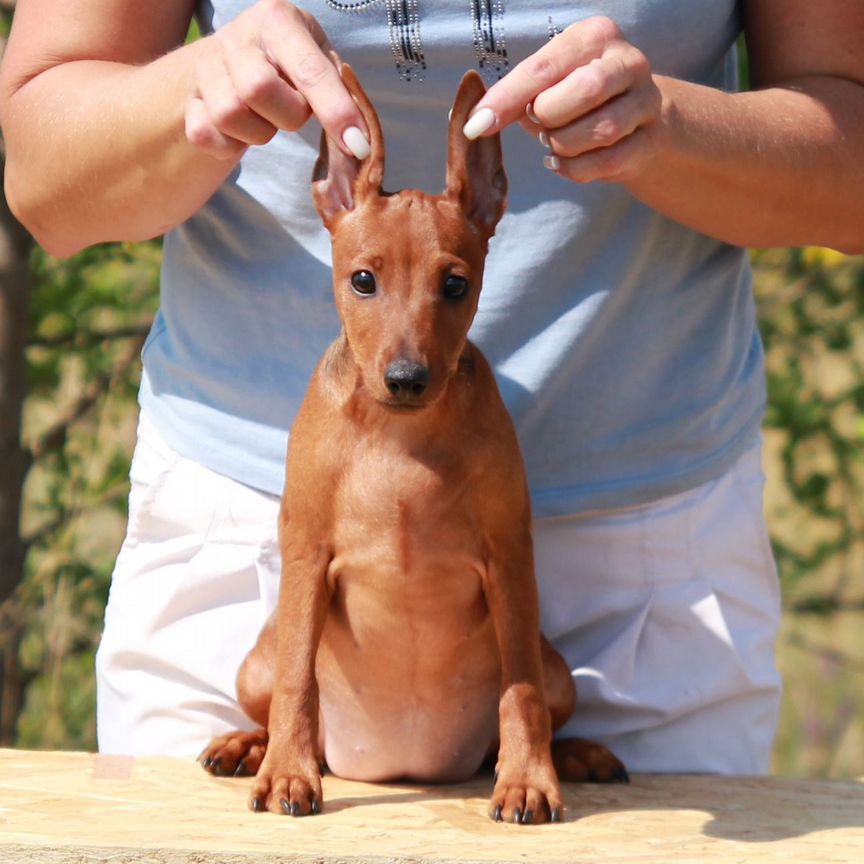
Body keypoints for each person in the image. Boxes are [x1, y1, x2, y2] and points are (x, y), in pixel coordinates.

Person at [2, 0, 862, 774]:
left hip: (644, 594)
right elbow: (40, 179)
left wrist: (674, 128)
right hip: (252, 566)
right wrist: (194, 89)